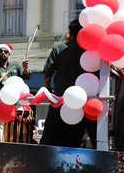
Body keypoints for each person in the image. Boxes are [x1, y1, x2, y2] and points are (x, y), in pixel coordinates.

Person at [39, 19, 97, 149]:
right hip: (86, 102)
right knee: (79, 139)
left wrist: (50, 93)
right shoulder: (92, 51)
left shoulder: (59, 48)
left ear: (70, 33)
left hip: (60, 99)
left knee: (51, 138)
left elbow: (46, 76)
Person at [0, 43, 32, 141]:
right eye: (0, 51)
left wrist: (25, 69)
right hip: (1, 105)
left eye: (6, 51)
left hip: (16, 105)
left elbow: (26, 76)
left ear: (9, 54)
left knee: (17, 132)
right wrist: (5, 98)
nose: (3, 53)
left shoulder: (15, 66)